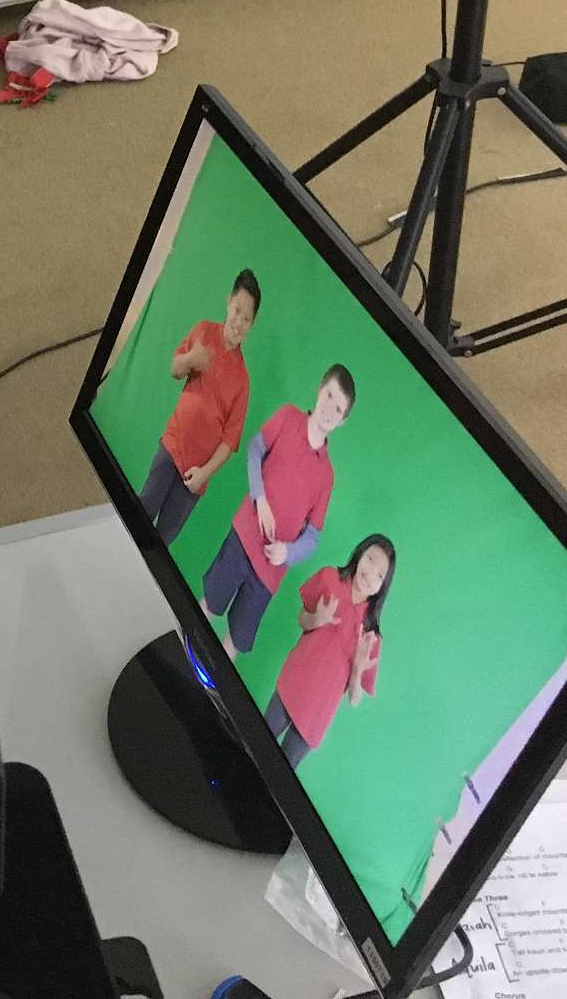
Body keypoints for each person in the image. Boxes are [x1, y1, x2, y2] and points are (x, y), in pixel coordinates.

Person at [201, 365, 357, 655]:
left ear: (342, 421)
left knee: (235, 640)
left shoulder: (327, 475)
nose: (329, 410)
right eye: (329, 396)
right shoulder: (287, 416)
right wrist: (259, 499)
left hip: (270, 573)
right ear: (319, 389)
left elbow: (312, 537)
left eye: (338, 409)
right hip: (243, 538)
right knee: (208, 605)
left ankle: (203, 681)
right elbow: (254, 451)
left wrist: (288, 553)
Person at [138, 269, 259, 544]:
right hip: (172, 447)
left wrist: (204, 474)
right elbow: (175, 369)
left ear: (252, 325)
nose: (239, 322)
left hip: (195, 477)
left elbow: (230, 441)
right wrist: (191, 358)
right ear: (228, 303)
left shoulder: (243, 379)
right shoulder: (204, 331)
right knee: (141, 512)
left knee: (163, 539)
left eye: (247, 318)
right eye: (237, 311)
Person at [264, 535, 393, 768]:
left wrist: (358, 669)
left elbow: (355, 698)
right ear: (360, 554)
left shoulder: (371, 636)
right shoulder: (329, 578)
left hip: (315, 718)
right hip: (291, 687)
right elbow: (302, 620)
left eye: (380, 574)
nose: (371, 573)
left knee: (277, 774)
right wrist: (318, 619)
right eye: (370, 559)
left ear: (383, 586)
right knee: (255, 744)